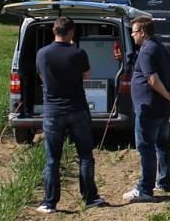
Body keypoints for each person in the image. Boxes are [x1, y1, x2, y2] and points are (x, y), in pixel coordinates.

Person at [35, 16, 104, 214]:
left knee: (52, 159)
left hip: (52, 112)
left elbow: (41, 76)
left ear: (54, 31)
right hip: (77, 109)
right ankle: (90, 198)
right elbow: (87, 75)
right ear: (71, 32)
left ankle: (49, 202)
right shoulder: (78, 53)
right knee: (84, 156)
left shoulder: (42, 54)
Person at [124, 17, 170, 202]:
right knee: (162, 144)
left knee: (145, 147)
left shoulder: (146, 51)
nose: (131, 35)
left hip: (150, 108)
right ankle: (163, 181)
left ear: (143, 32)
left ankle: (145, 189)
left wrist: (167, 95)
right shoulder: (160, 47)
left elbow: (152, 79)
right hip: (162, 108)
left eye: (134, 31)